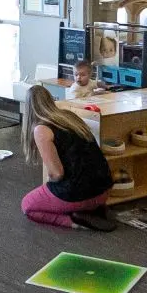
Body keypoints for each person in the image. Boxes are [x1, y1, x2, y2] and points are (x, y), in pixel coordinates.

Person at [21, 81, 114, 231]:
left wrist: (49, 188)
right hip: (104, 191)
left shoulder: (41, 129)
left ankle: (74, 221)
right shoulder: (70, 117)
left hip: (77, 194)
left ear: (29, 108)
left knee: (28, 205)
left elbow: (57, 174)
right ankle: (91, 210)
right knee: (52, 191)